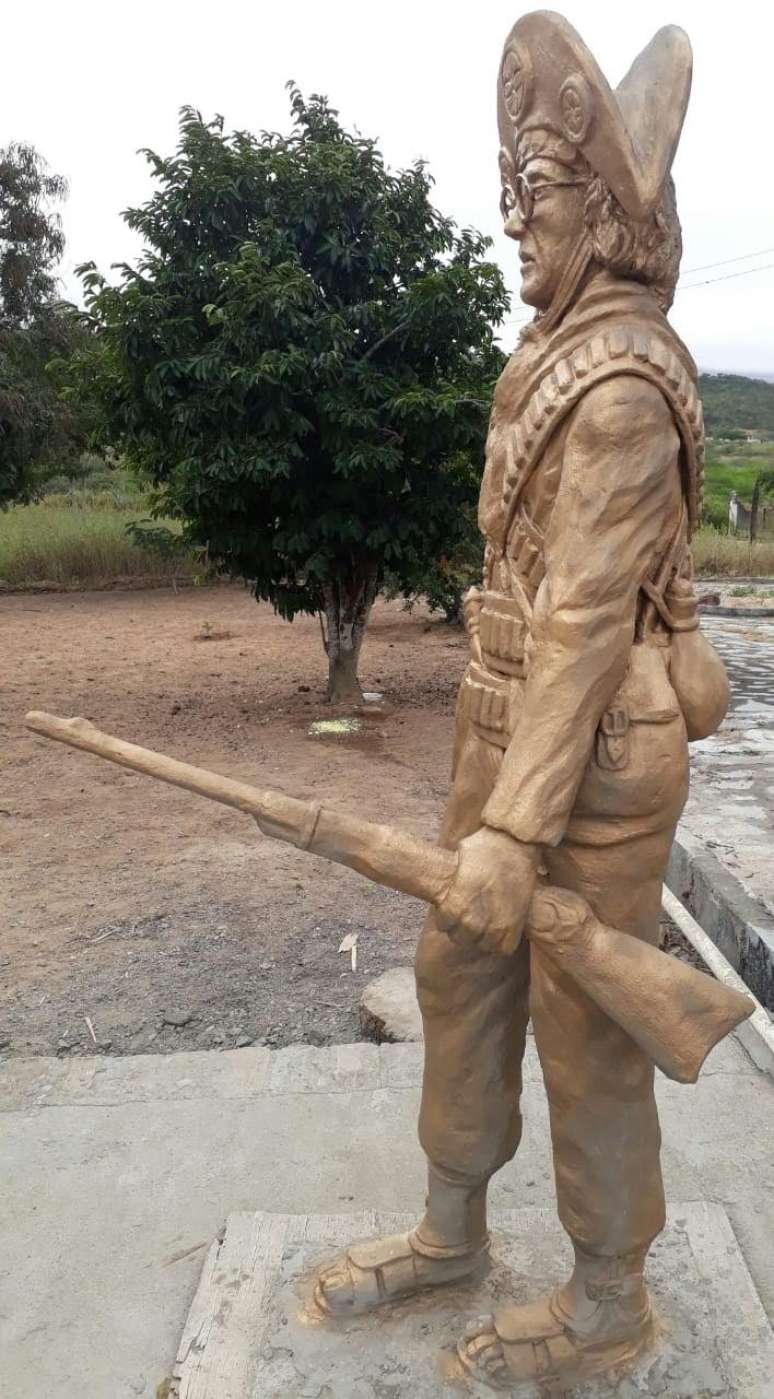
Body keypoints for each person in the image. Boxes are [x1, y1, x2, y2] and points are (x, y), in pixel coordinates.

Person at [314, 12, 728, 1388]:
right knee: (458, 972)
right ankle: (451, 1231)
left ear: (603, 217)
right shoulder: (560, 345)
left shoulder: (613, 386)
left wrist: (505, 833)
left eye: (534, 197)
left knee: (588, 1025)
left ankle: (607, 1295)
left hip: (589, 755)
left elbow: (582, 624)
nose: (512, 226)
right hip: (509, 729)